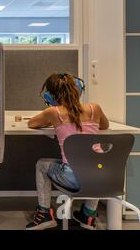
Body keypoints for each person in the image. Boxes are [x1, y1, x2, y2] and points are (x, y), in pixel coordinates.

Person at [26, 73, 109, 230]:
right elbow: (104, 125)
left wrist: (55, 122)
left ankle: (44, 214)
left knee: (41, 164)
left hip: (73, 179)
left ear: (51, 95)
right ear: (77, 90)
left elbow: (31, 123)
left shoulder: (54, 112)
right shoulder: (94, 108)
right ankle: (88, 215)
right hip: (101, 176)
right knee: (96, 166)